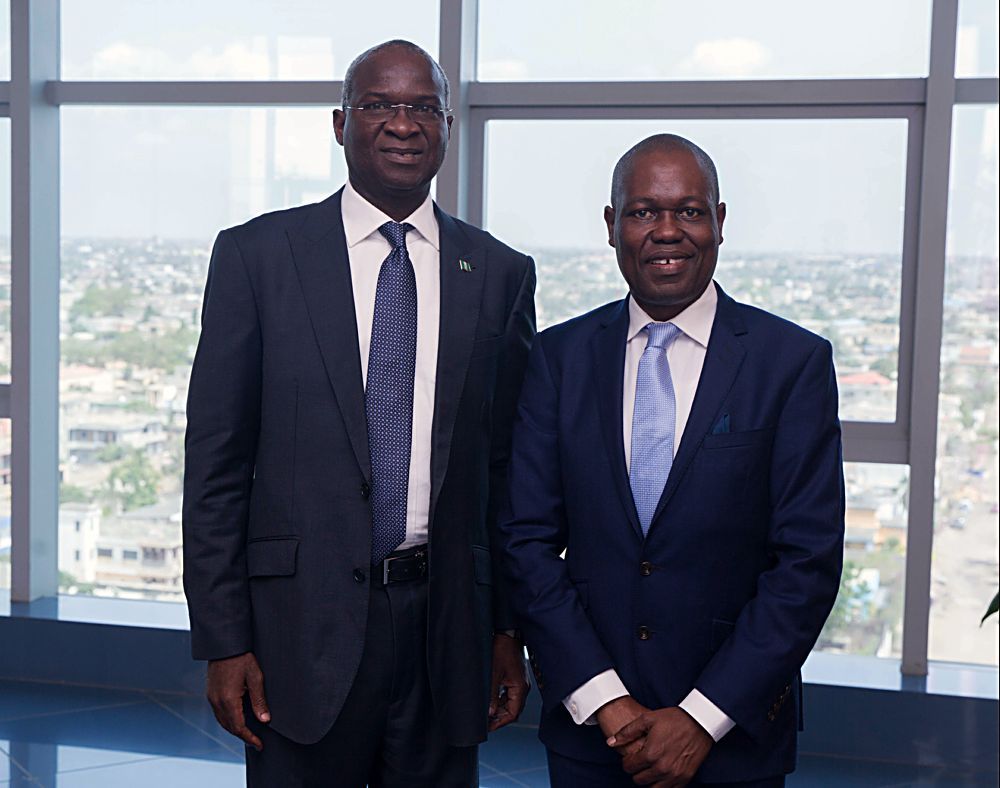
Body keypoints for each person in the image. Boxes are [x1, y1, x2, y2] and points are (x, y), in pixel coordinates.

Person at [182, 40, 535, 787]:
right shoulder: (258, 258)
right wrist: (223, 639)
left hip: (445, 634)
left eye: (422, 107)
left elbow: (504, 474)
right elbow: (217, 463)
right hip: (296, 634)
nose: (402, 124)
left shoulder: (499, 273)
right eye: (379, 104)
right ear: (341, 124)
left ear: (447, 125)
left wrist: (506, 629)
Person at [498, 134, 845, 788]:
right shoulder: (558, 360)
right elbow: (525, 541)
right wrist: (604, 699)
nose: (666, 231)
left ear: (720, 222)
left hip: (733, 741)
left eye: (689, 211)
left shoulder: (790, 364)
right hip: (591, 737)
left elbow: (806, 561)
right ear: (611, 226)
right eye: (642, 211)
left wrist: (701, 718)